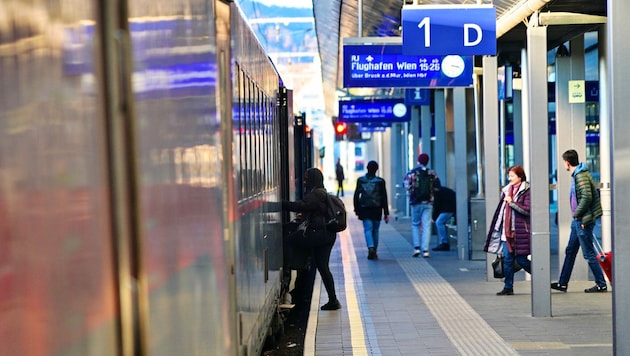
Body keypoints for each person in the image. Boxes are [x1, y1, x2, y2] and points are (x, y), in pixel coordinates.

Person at [282, 168, 342, 310]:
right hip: (328, 234)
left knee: (289, 240)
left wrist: (280, 204)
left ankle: (286, 269)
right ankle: (333, 300)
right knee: (322, 266)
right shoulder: (322, 192)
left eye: (307, 179)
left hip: (318, 234)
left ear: (313, 180)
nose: (304, 181)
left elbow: (299, 206)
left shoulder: (316, 194)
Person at [551, 149, 606, 293]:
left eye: (564, 162)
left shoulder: (580, 176)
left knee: (588, 253)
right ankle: (562, 283)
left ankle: (601, 283)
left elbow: (586, 198)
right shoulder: (578, 175)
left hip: (582, 220)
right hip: (577, 221)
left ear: (567, 163)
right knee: (570, 251)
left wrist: (578, 214)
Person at [484, 165, 532, 296]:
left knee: (522, 260)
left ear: (520, 177)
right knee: (508, 259)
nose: (509, 178)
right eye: (509, 176)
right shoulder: (506, 191)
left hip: (520, 231)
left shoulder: (526, 191)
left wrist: (512, 203)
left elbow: (527, 210)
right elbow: (502, 212)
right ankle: (508, 286)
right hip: (506, 231)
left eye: (512, 176)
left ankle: (541, 277)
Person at [353, 160, 390, 260]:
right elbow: (384, 198)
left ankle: (370, 247)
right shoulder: (380, 181)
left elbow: (356, 195)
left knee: (368, 230)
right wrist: (386, 213)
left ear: (367, 168)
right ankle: (375, 251)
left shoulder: (361, 180)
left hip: (365, 209)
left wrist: (357, 209)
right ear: (376, 169)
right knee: (376, 230)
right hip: (377, 209)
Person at [404, 153, 438, 258]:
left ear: (418, 161)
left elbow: (406, 186)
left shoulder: (412, 173)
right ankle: (426, 250)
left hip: (415, 202)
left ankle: (416, 248)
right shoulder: (432, 173)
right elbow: (437, 187)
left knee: (415, 224)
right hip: (428, 203)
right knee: (426, 226)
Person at [431, 182, 456, 251]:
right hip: (451, 208)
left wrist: (433, 218)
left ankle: (444, 242)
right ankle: (443, 242)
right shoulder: (445, 190)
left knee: (439, 222)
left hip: (447, 209)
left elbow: (437, 206)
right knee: (441, 222)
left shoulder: (437, 193)